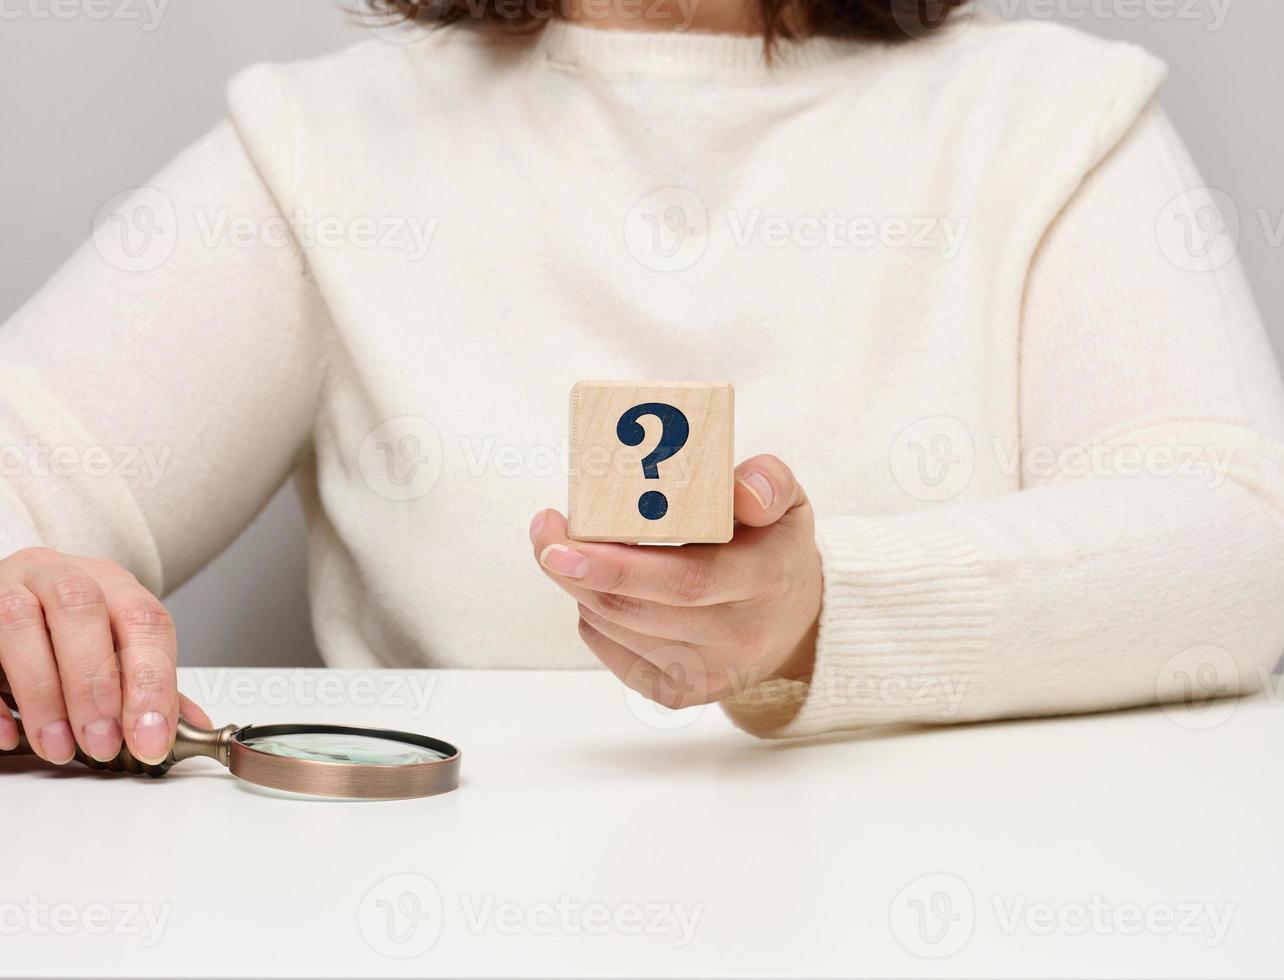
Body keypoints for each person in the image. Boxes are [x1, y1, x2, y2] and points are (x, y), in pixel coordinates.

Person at [1, 0, 1281, 769]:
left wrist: (823, 615)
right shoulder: (323, 143)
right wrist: (29, 601)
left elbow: (1237, 542)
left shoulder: (1052, 113)